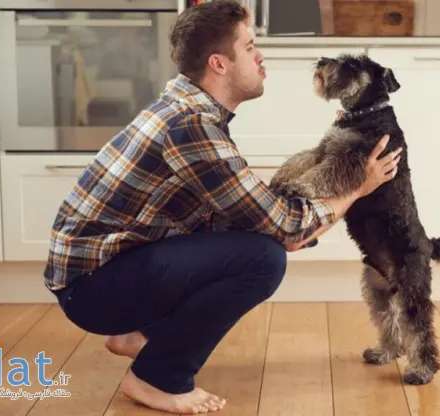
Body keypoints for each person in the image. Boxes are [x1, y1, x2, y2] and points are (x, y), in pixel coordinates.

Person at [43, 1, 402, 414]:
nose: (260, 55)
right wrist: (359, 187)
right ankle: (156, 377)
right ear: (219, 63)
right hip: (92, 290)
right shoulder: (192, 126)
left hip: (102, 273)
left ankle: (138, 335)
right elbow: (284, 227)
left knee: (256, 239)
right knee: (263, 258)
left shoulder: (192, 111)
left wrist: (283, 229)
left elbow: (252, 213)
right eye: (250, 47)